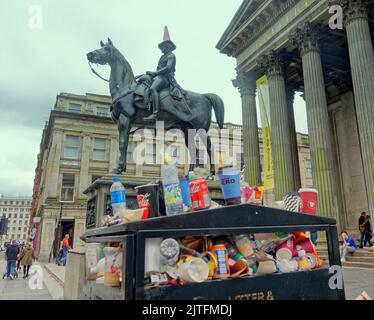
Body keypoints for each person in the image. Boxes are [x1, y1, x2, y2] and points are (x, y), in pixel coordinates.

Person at [144, 26, 180, 122]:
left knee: (153, 88)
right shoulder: (162, 57)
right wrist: (151, 74)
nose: (162, 48)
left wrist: (154, 73)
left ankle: (155, 114)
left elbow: (168, 68)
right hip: (159, 76)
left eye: (163, 46)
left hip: (166, 78)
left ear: (168, 46)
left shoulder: (171, 56)